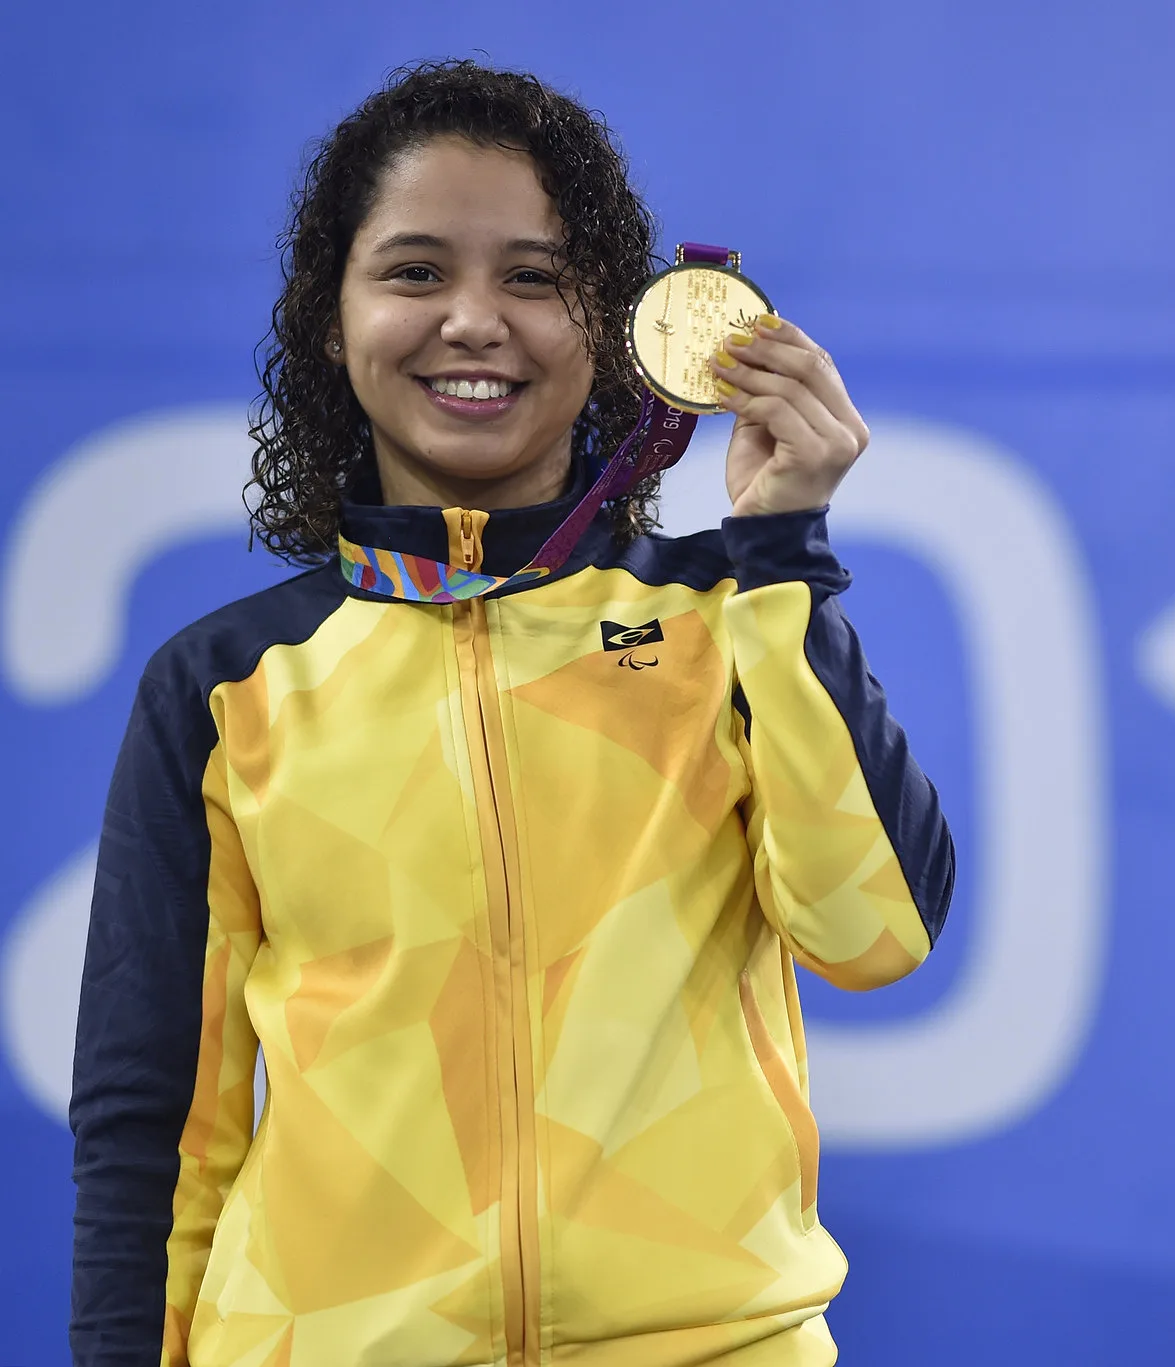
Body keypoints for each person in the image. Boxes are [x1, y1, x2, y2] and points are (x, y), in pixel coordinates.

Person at [68, 60, 953, 1367]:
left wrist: (782, 557)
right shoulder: (229, 683)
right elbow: (156, 1122)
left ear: (610, 327)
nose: (474, 319)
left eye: (534, 278)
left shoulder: (726, 620)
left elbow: (873, 930)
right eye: (415, 272)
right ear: (332, 318)